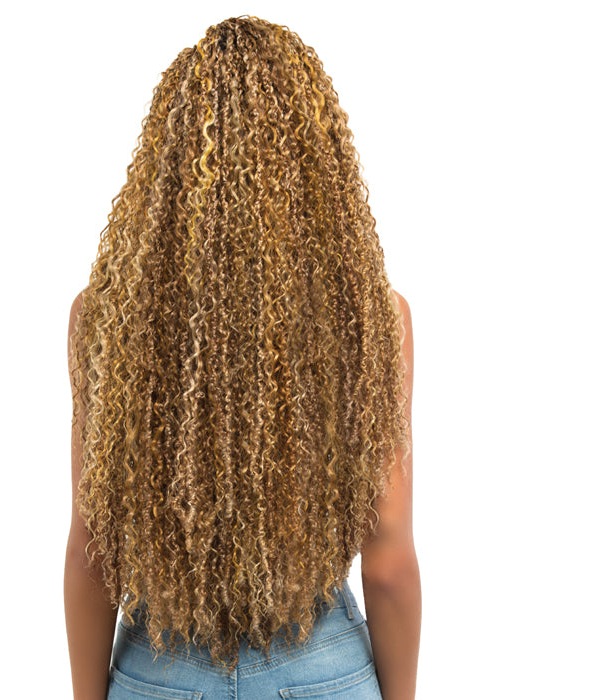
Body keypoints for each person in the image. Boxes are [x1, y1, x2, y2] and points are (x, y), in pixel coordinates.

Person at [64, 15, 421, 700]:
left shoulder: (104, 319)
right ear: (313, 162)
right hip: (321, 670)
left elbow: (92, 552)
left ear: (170, 162)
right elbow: (389, 565)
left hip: (161, 670)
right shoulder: (373, 321)